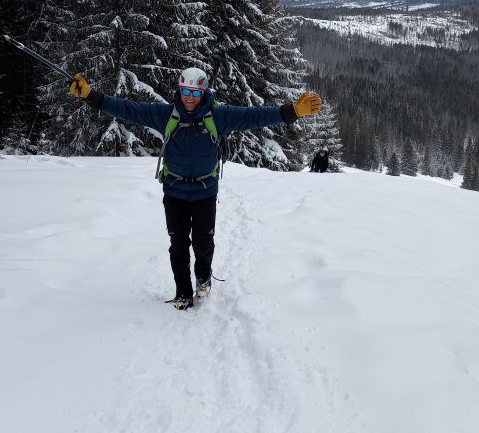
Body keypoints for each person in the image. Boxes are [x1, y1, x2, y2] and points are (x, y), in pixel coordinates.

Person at [70, 67, 322, 309]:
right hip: (174, 192)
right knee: (178, 245)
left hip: (205, 192)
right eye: (185, 92)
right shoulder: (165, 114)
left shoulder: (219, 116)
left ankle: (203, 276)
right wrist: (91, 96)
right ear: (179, 90)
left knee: (203, 244)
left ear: (203, 93)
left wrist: (292, 112)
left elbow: (254, 116)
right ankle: (183, 293)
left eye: (195, 93)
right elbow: (128, 109)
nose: (190, 98)